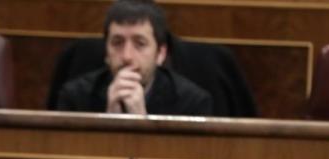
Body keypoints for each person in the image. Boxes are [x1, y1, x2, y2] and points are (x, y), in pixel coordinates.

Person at [55, 0, 212, 116]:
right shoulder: (75, 97)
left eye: (140, 44)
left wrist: (141, 123)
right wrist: (108, 122)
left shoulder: (192, 103)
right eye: (117, 43)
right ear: (106, 52)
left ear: (160, 54)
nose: (127, 56)